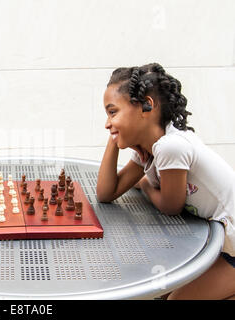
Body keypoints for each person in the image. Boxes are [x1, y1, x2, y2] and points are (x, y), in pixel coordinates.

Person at [96, 63, 235, 300]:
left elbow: (171, 206)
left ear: (147, 105)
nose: (107, 122)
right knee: (162, 292)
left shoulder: (171, 146)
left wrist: (147, 184)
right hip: (222, 246)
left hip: (232, 250)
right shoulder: (149, 149)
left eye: (113, 112)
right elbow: (106, 193)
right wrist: (114, 137)